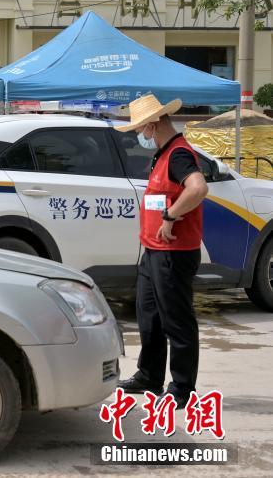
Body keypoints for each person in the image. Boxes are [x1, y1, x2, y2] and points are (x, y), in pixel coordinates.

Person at [114, 94, 209, 406]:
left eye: (143, 128)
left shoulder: (179, 154)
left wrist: (170, 216)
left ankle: (182, 389)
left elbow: (198, 188)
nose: (142, 134)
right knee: (149, 317)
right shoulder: (163, 154)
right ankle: (149, 376)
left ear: (154, 125)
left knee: (176, 321)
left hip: (174, 252)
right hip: (153, 251)